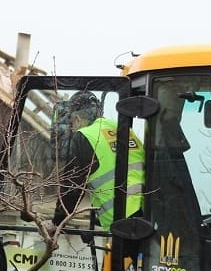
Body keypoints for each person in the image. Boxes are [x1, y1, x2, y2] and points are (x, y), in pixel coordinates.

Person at [53, 91, 145, 230]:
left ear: (77, 119)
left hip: (121, 219)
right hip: (147, 210)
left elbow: (72, 186)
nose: (71, 128)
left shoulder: (84, 136)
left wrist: (57, 221)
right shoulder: (121, 127)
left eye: (71, 123)